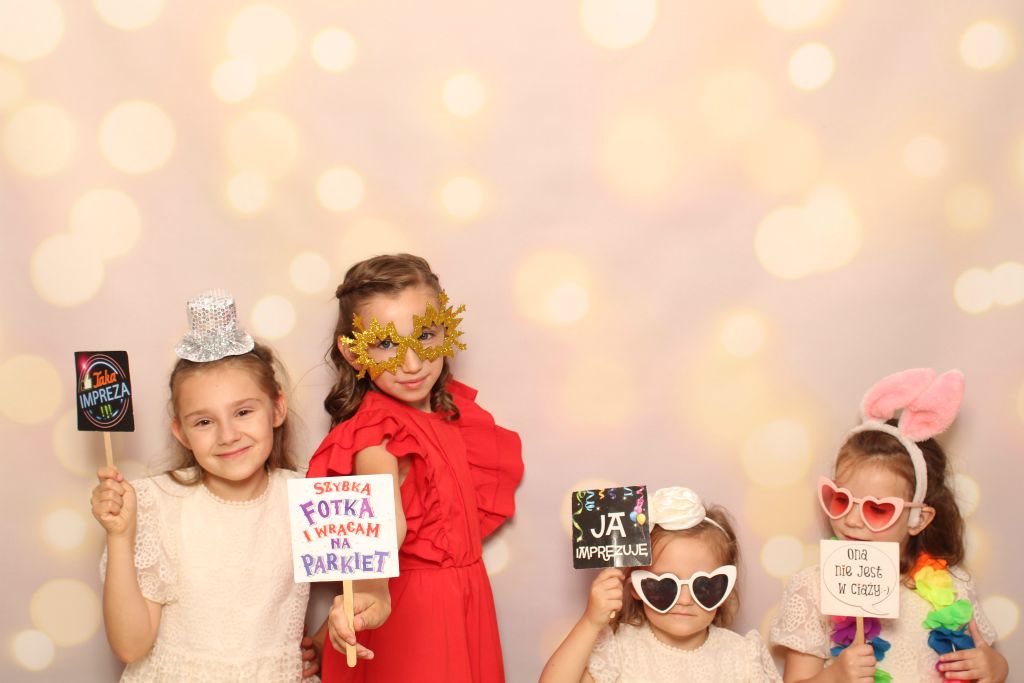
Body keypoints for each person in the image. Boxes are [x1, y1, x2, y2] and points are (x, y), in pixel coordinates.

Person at [306, 254, 524, 682]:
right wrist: (372, 593)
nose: (411, 363)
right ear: (353, 352)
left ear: (445, 330)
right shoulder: (376, 431)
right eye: (386, 343)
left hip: (463, 600)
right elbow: (382, 521)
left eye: (425, 335)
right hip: (417, 617)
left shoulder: (449, 416)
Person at [90, 291, 329, 681]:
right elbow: (130, 646)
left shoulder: (308, 498)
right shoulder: (154, 503)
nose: (228, 435)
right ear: (181, 433)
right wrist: (120, 536)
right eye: (204, 422)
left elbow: (368, 581)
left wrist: (323, 642)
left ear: (277, 409)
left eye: (243, 412)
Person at [771, 368, 1008, 682]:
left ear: (918, 519)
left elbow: (983, 660)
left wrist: (995, 667)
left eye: (877, 509)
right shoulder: (814, 589)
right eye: (840, 500)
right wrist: (835, 677)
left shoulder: (954, 587)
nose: (852, 520)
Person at [540, 486, 781, 683]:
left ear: (726, 588)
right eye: (665, 586)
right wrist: (590, 623)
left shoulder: (743, 656)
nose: (685, 600)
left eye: (703, 586)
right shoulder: (619, 651)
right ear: (636, 587)